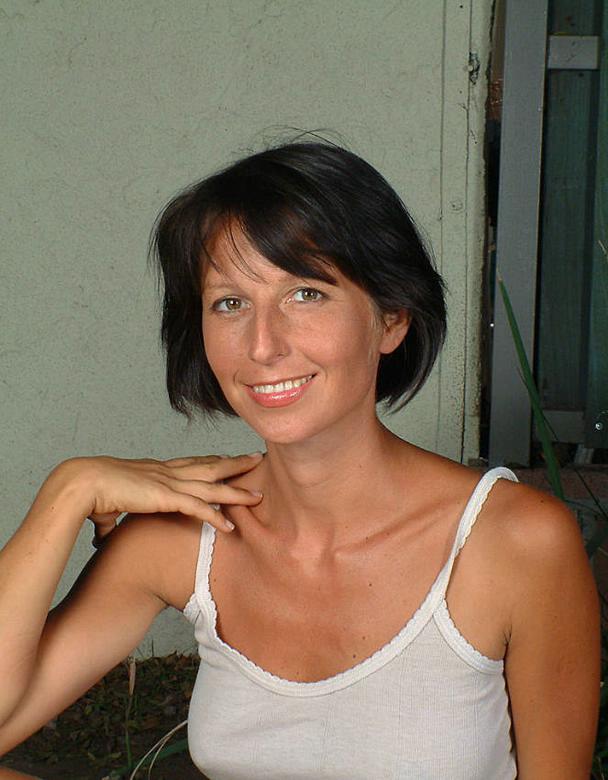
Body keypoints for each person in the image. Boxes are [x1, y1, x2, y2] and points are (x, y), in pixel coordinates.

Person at [0, 141, 599, 779]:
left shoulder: (514, 542)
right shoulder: (183, 536)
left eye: (306, 294)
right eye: (230, 303)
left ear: (392, 318)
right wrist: (69, 489)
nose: (262, 345)